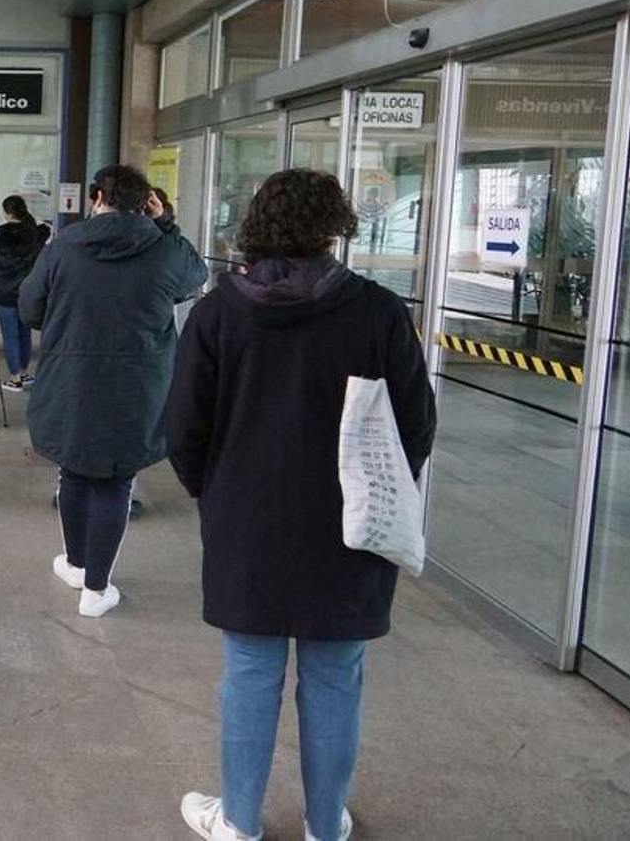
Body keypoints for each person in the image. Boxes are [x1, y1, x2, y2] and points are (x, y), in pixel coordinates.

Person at [166, 169, 436, 841]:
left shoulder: (218, 312)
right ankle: (324, 824)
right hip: (350, 527)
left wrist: (216, 490)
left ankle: (238, 820)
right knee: (336, 674)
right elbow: (416, 423)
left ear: (256, 224)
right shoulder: (376, 311)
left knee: (250, 672)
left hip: (247, 520)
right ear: (333, 227)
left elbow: (182, 428)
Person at [20, 164, 207, 618]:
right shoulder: (164, 250)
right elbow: (196, 275)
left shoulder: (63, 247)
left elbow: (29, 307)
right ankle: (95, 588)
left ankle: (79, 566)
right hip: (137, 384)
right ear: (146, 202)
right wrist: (164, 223)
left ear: (96, 198)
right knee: (115, 480)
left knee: (74, 470)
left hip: (70, 379)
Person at [0, 195, 47, 393]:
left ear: (7, 213)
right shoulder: (37, 234)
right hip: (28, 292)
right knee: (25, 333)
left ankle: (15, 378)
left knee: (10, 335)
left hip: (4, 293)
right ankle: (23, 373)